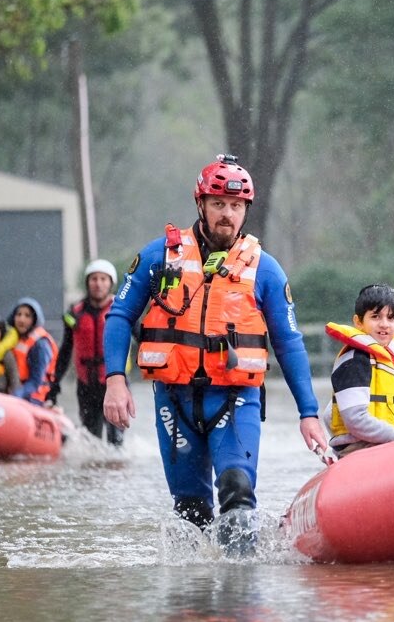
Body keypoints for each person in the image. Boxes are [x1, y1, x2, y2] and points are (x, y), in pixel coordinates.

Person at [101, 153, 328, 555]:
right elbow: (119, 315)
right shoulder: (158, 258)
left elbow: (289, 342)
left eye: (236, 206)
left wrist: (308, 412)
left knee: (238, 494)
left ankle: (239, 594)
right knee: (191, 511)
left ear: (246, 211)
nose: (228, 214)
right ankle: (200, 600)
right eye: (219, 204)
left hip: (234, 398)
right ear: (200, 205)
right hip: (174, 400)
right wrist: (115, 380)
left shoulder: (266, 270)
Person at [326, 284, 394, 456]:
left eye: (391, 318)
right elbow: (355, 420)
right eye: (375, 317)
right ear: (358, 322)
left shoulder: (388, 360)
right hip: (359, 451)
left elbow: (393, 419)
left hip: (381, 445)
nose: (384, 324)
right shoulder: (355, 360)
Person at [48, 259, 125, 445]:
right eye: (94, 279)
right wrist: (55, 382)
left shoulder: (122, 310)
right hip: (86, 385)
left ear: (110, 283)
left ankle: (116, 473)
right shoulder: (74, 313)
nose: (98, 284)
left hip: (115, 383)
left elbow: (141, 339)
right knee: (92, 440)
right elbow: (65, 350)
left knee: (116, 441)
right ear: (87, 282)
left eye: (103, 279)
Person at [9, 297, 58, 405]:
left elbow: (36, 381)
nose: (21, 319)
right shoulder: (11, 339)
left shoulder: (40, 344)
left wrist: (16, 395)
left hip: (34, 398)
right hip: (15, 392)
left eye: (27, 316)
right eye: (19, 314)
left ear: (35, 319)